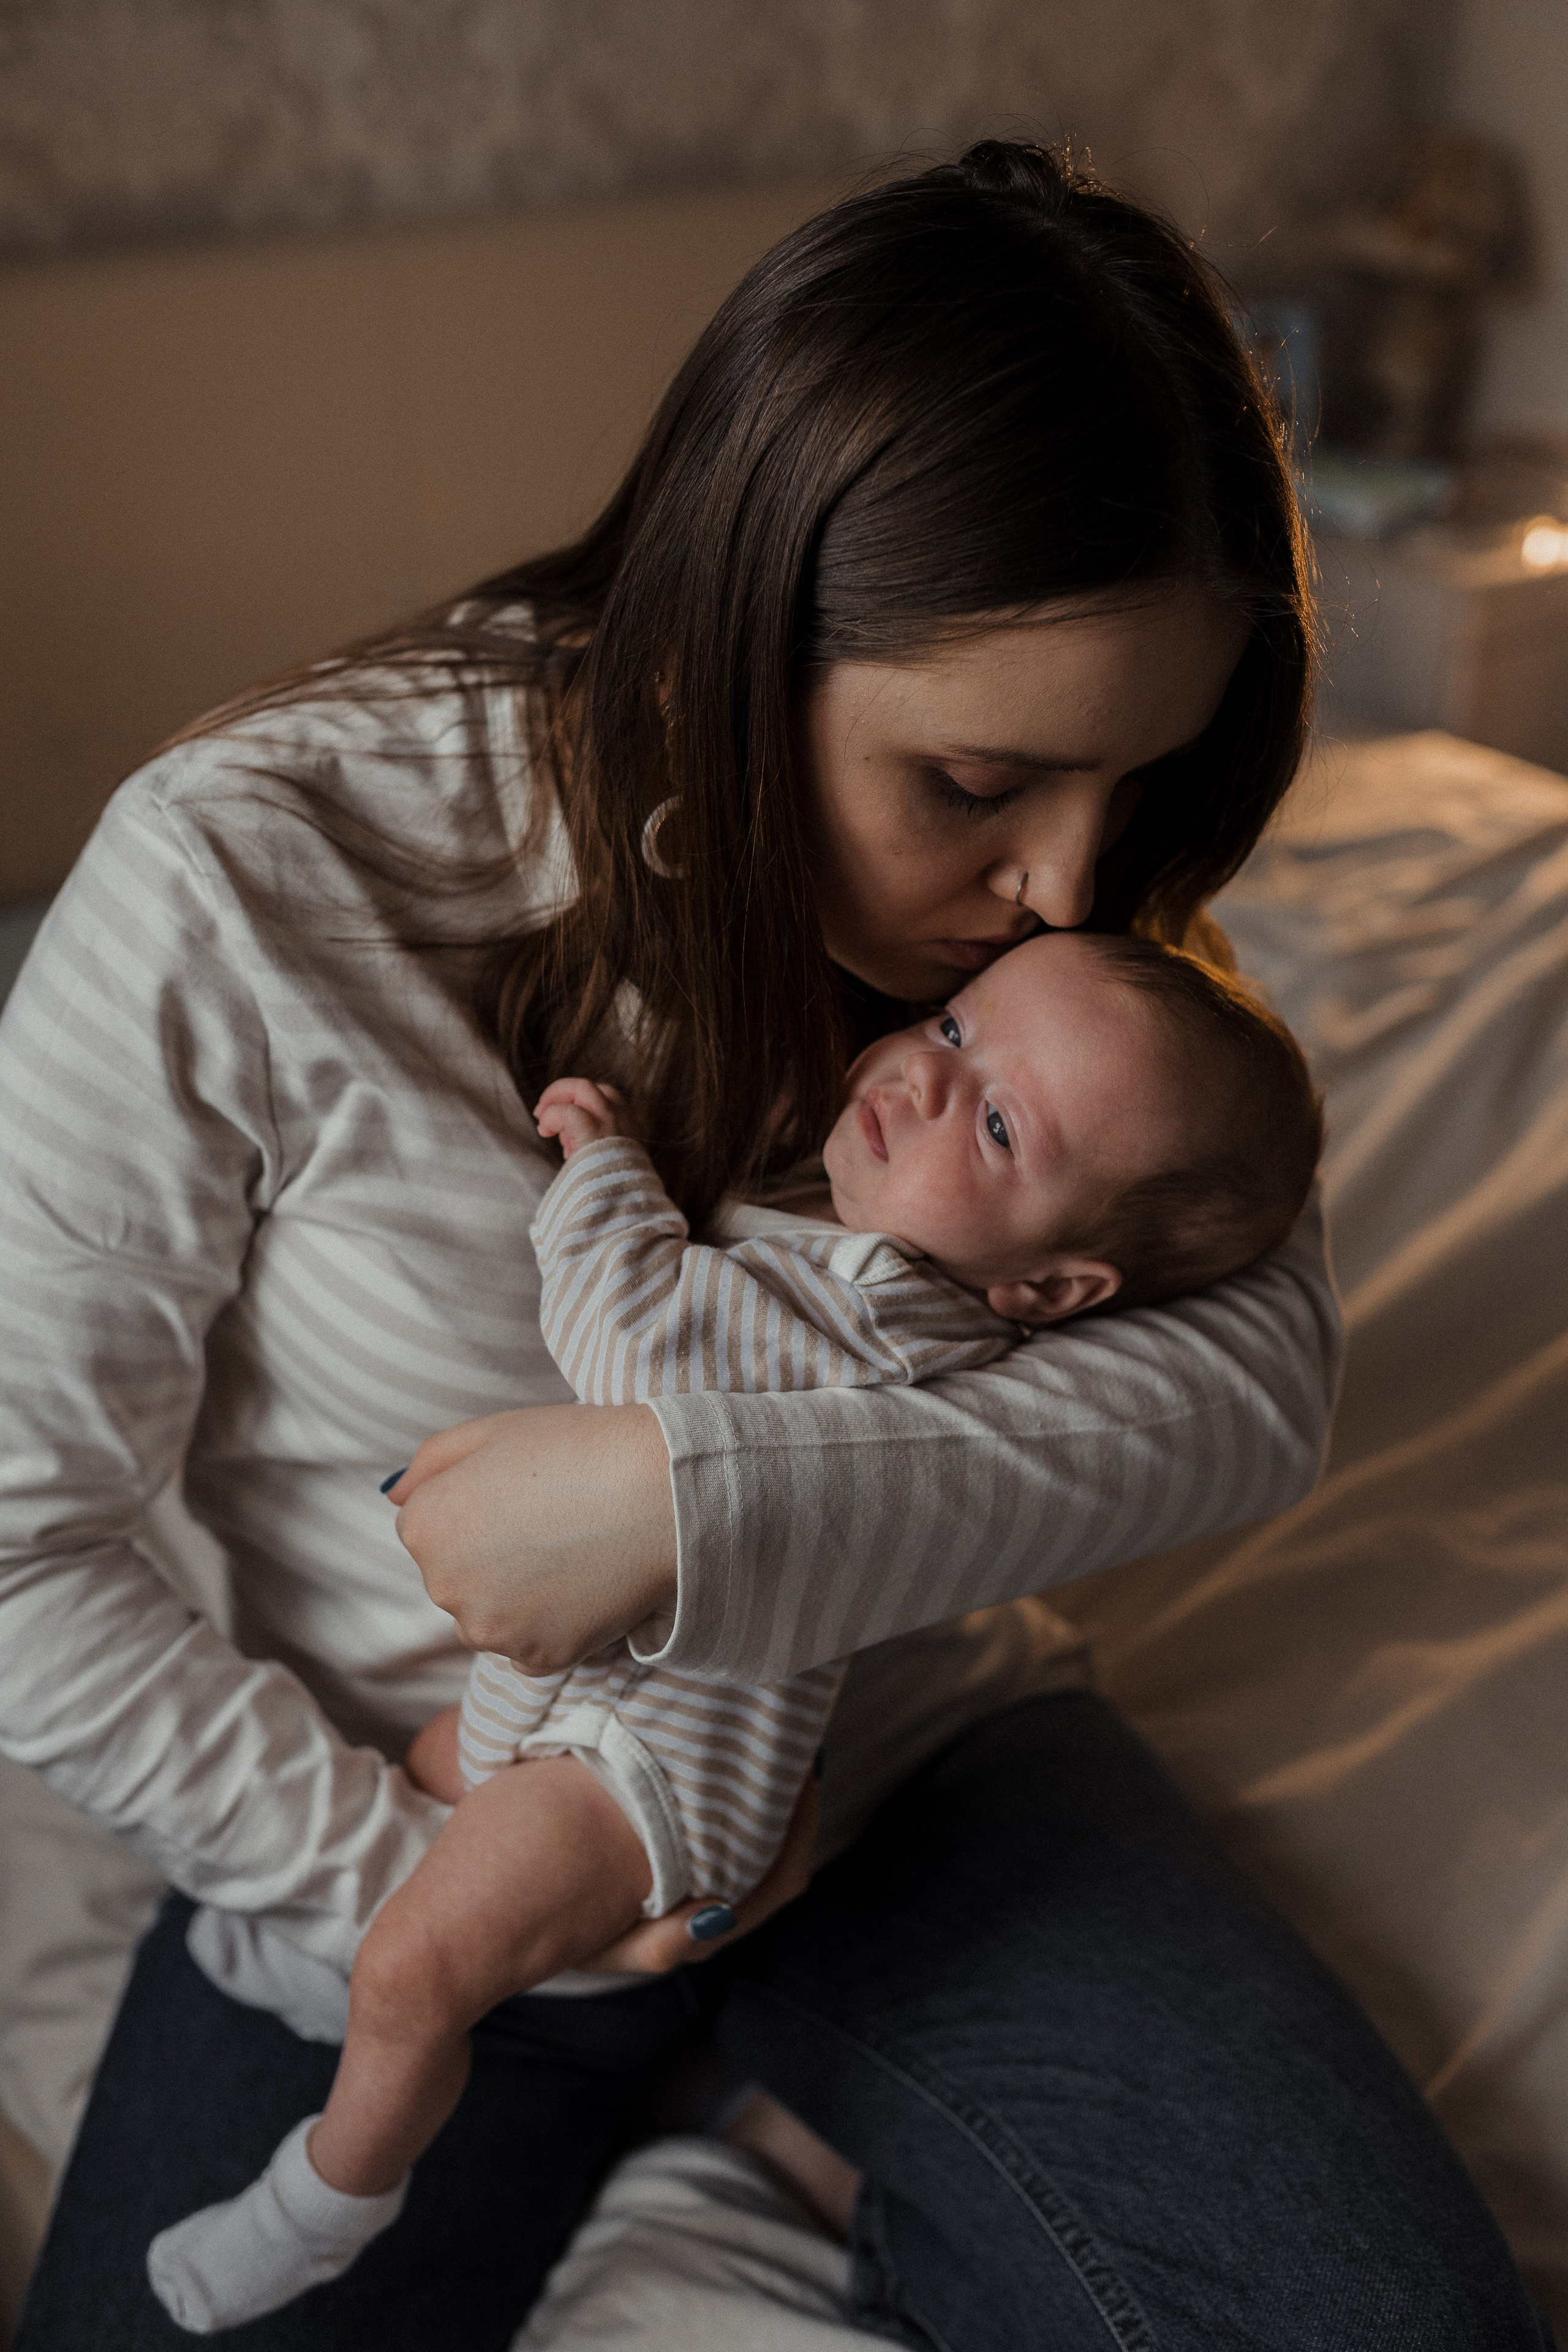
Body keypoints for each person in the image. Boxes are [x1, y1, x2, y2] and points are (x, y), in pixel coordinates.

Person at [2, 141, 1548, 2350]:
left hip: (905, 1766)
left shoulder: (1075, 919)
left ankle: (825, 2124)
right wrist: (425, 1898)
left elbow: (1243, 1384)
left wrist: (678, 1505)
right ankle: (730, 2099)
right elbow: (19, 1542)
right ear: (738, 631)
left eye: (1138, 794)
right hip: (420, 1821)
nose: (1069, 898)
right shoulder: (247, 881)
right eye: (973, 787)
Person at [145, 928, 1325, 2332]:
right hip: (579, 1707)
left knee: (422, 1971)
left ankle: (331, 2193)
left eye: (1001, 1122)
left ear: (1053, 1289)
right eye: (951, 1030)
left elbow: (629, 1348)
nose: (929, 1080)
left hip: (642, 1773)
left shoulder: (876, 1317)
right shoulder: (864, 1268)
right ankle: (360, 1970)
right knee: (438, 1763)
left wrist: (602, 1173)